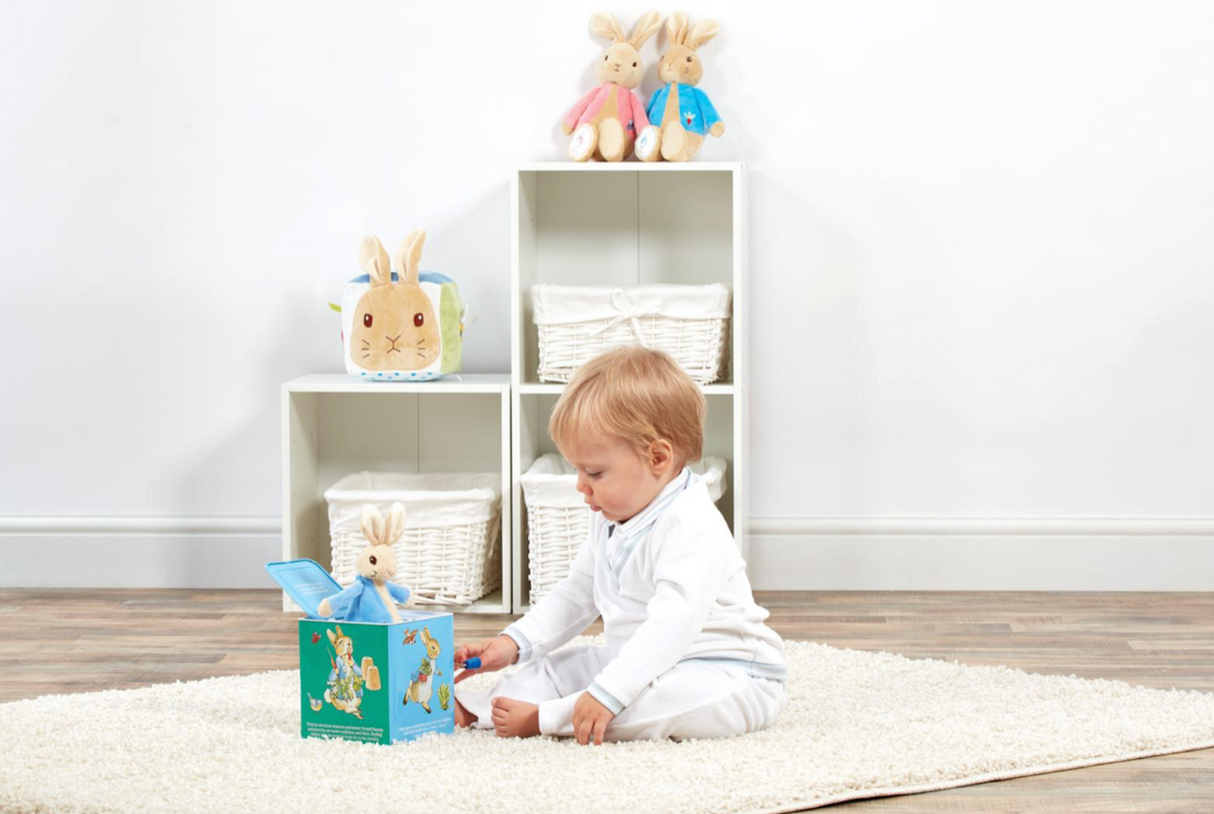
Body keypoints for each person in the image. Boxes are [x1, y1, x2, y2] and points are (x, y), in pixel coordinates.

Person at [453, 346, 787, 744]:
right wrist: (513, 643)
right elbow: (576, 594)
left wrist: (608, 693)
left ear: (658, 457)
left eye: (593, 471)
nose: (581, 485)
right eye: (577, 470)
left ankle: (550, 718)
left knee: (665, 702)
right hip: (635, 660)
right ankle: (479, 707)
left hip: (725, 671)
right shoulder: (610, 516)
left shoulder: (692, 525)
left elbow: (672, 623)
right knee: (562, 666)